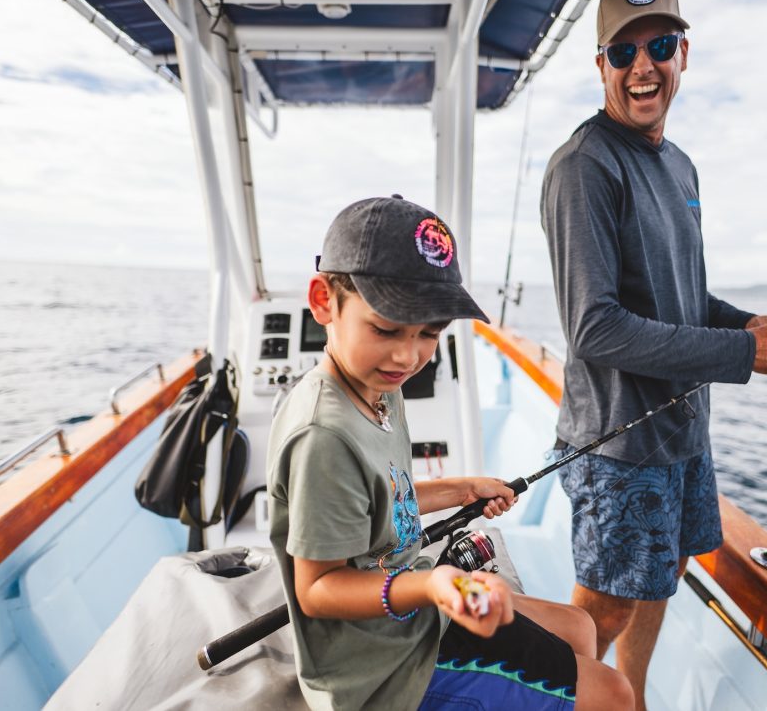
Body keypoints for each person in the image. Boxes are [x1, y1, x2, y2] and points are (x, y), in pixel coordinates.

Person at [540, 0, 767, 709]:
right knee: (603, 610)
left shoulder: (681, 166)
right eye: (623, 51)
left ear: (683, 54)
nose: (643, 66)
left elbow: (686, 300)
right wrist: (741, 356)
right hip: (619, 446)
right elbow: (595, 328)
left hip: (682, 435)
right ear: (599, 64)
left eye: (659, 47)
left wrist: (750, 329)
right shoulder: (584, 167)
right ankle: (557, 699)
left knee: (658, 581)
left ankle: (627, 699)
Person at [266, 196, 633, 710]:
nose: (407, 355)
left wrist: (463, 489)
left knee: (578, 625)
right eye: (386, 329)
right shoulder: (323, 435)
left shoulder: (379, 387)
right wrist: (435, 585)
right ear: (325, 301)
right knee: (615, 694)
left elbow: (384, 503)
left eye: (430, 333)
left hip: (412, 617)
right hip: (376, 666)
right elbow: (318, 589)